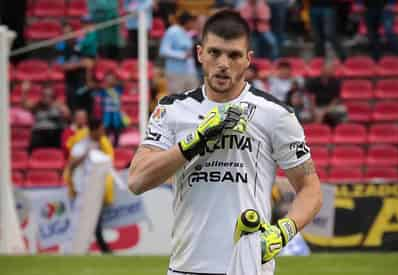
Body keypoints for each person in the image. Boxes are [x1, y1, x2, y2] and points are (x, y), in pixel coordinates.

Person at [128, 10, 322, 275]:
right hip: (186, 268)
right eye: (214, 52)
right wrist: (195, 141)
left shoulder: (276, 114)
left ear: (248, 60)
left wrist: (282, 232)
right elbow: (137, 180)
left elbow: (310, 188)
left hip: (250, 267)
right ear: (199, 53)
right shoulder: (171, 109)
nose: (223, 63)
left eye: (233, 55)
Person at [64, 118, 114, 253]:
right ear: (95, 130)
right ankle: (78, 249)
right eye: (101, 129)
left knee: (94, 223)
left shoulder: (102, 145)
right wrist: (85, 155)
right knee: (81, 223)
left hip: (95, 191)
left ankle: (87, 249)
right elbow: (71, 165)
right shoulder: (81, 145)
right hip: (81, 191)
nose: (103, 132)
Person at [159, 11, 199, 95]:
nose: (194, 24)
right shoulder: (173, 31)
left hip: (190, 71)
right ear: (188, 22)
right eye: (193, 22)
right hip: (176, 72)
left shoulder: (188, 33)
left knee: (193, 98)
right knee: (176, 98)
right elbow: (163, 50)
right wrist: (182, 55)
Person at [22, 87, 69, 151]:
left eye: (49, 95)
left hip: (54, 135)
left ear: (53, 96)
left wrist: (60, 108)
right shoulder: (37, 106)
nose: (47, 98)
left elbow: (67, 116)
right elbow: (24, 105)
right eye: (44, 95)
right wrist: (25, 91)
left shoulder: (58, 106)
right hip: (39, 135)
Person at [95, 71, 126, 147]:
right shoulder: (103, 90)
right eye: (108, 79)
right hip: (106, 116)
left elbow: (124, 83)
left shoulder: (118, 89)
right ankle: (106, 147)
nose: (110, 81)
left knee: (117, 133)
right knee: (106, 134)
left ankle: (116, 147)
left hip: (116, 116)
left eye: (111, 79)